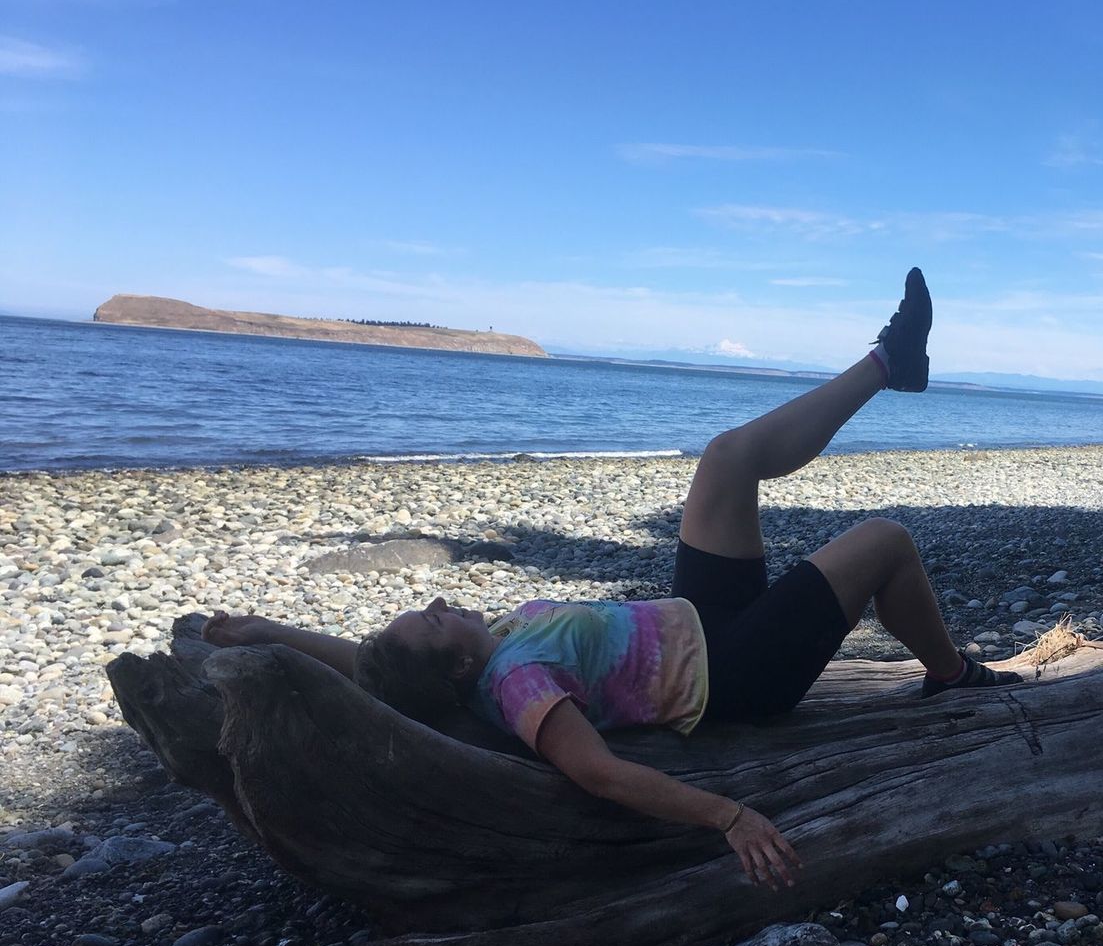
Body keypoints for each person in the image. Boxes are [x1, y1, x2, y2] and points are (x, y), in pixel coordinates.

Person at [202, 269, 1021, 892]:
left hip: (702, 619)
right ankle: (952, 675)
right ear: (457, 666)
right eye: (437, 619)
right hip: (738, 675)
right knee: (885, 540)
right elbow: (596, 772)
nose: (442, 602)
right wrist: (729, 816)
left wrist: (267, 633)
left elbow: (368, 665)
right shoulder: (516, 684)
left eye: (429, 605)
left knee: (725, 456)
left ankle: (888, 363)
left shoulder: (469, 655)